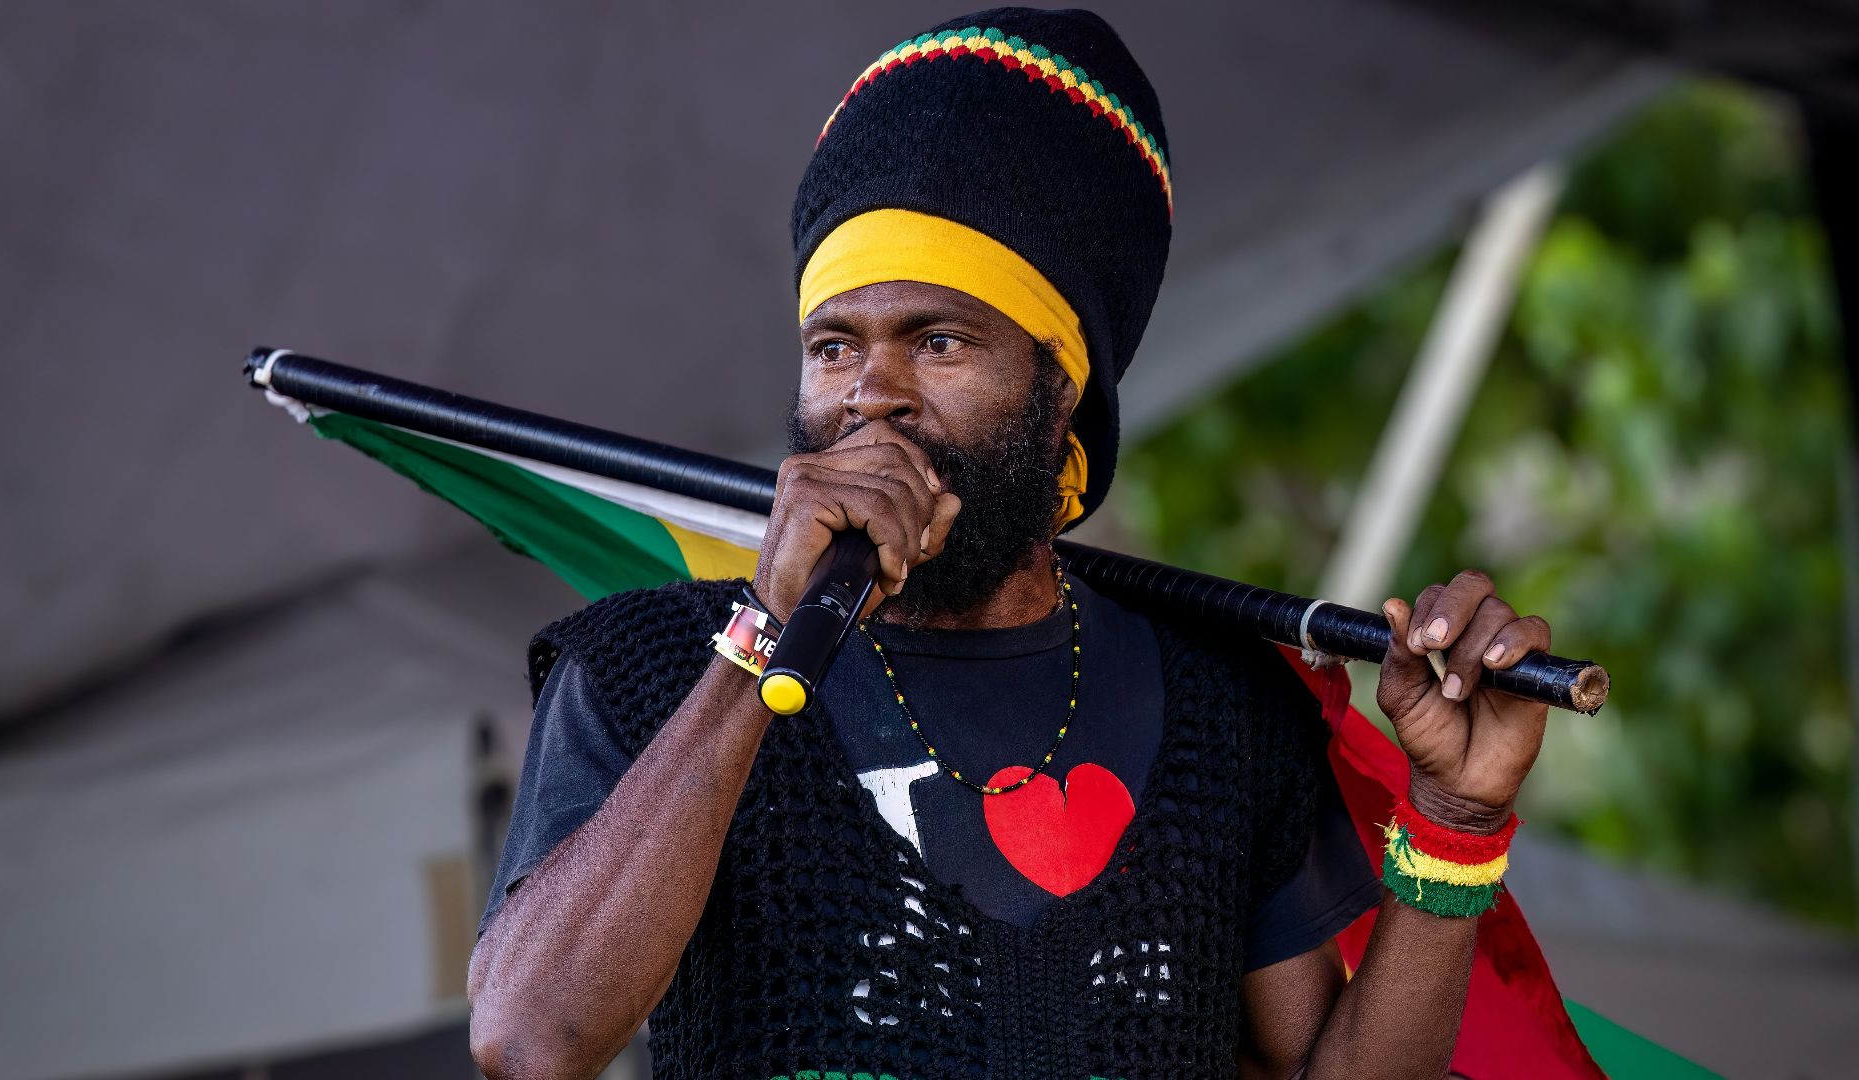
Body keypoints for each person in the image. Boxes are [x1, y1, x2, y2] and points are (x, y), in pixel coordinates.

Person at [467, 9, 1555, 1079]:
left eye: (939, 340)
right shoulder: (648, 671)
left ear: (1059, 384)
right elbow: (528, 1044)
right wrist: (761, 635)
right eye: (833, 345)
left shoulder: (1223, 711)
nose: (871, 398)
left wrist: (1457, 816)